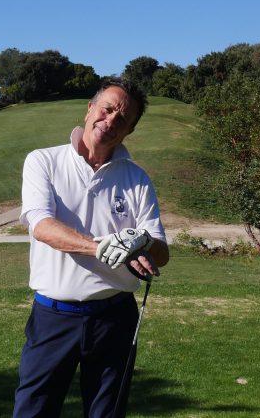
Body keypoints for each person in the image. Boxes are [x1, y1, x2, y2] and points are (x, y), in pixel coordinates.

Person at [13, 77, 169, 418]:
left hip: (115, 318)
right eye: (107, 109)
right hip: (54, 317)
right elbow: (41, 225)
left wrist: (143, 242)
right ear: (89, 109)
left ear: (129, 131)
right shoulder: (44, 161)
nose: (110, 121)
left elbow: (162, 252)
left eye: (122, 119)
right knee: (33, 411)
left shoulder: (137, 178)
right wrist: (101, 246)